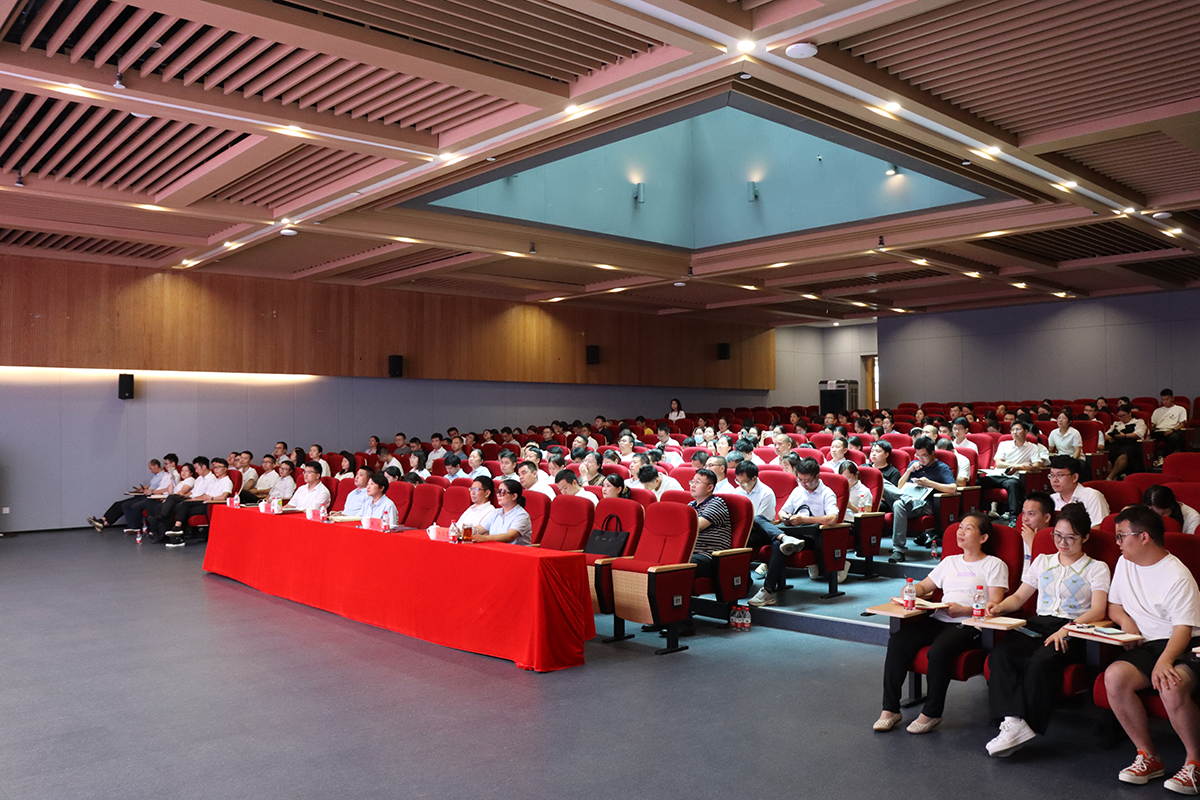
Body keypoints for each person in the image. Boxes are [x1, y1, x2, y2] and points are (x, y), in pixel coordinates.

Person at [982, 503, 1110, 756]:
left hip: (1074, 628)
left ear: (1085, 537)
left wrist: (1069, 629)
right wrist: (998, 607)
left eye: (1070, 538)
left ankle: (1026, 723)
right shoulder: (1042, 561)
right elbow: (1019, 597)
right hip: (1039, 624)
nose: (1062, 543)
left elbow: (1098, 610)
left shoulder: (1097, 567)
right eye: (1058, 535)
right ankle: (1013, 721)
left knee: (1041, 662)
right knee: (1002, 654)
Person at [875, 513, 1009, 734]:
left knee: (938, 650)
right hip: (940, 617)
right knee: (898, 642)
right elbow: (924, 586)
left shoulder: (994, 565)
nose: (960, 532)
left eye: (968, 529)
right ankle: (890, 709)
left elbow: (995, 604)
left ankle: (932, 713)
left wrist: (964, 610)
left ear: (983, 538)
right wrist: (910, 591)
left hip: (971, 623)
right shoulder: (949, 562)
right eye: (960, 527)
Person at [1104, 506, 1200, 792]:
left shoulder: (1177, 575)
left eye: (1122, 536)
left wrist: (1165, 661)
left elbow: (1182, 629)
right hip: (1148, 643)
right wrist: (1127, 623)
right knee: (1114, 677)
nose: (1117, 542)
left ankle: (1195, 762)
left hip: (1184, 644)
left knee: (1170, 684)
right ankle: (1148, 756)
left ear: (1144, 537)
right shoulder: (1125, 563)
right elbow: (1114, 605)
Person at [748, 458, 837, 606]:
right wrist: (786, 518)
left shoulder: (827, 493)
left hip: (811, 537)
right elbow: (782, 511)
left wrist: (804, 519)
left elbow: (833, 518)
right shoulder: (798, 490)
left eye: (807, 480)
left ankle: (767, 590)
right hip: (792, 532)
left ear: (817, 477)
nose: (803, 484)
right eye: (800, 479)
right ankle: (784, 538)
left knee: (777, 544)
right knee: (758, 519)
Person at [887, 437, 957, 563]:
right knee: (887, 489)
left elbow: (953, 488)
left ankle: (898, 550)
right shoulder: (914, 465)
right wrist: (909, 470)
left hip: (926, 505)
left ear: (932, 453)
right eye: (918, 455)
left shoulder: (942, 468)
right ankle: (898, 551)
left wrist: (929, 483)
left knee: (898, 503)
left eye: (924, 456)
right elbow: (899, 487)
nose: (920, 459)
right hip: (908, 501)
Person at [163, 457, 234, 547]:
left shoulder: (227, 481)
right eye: (214, 467)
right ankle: (177, 535)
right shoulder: (216, 481)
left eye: (218, 467)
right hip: (205, 502)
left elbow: (224, 497)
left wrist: (211, 498)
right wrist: (197, 498)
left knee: (185, 506)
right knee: (183, 508)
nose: (216, 470)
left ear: (225, 468)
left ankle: (177, 530)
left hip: (211, 505)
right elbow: (205, 494)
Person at [980, 421, 1043, 521]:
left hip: (1012, 478)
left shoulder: (1032, 447)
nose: (1015, 432)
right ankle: (979, 514)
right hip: (997, 475)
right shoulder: (1004, 444)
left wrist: (1018, 469)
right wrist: (1017, 465)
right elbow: (999, 463)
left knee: (1012, 484)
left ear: (1026, 431)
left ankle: (1013, 517)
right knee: (977, 482)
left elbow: (1036, 465)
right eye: (1012, 430)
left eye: (1018, 429)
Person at [88, 458, 172, 531]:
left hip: (150, 496)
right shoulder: (156, 476)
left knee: (126, 505)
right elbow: (152, 485)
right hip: (145, 493)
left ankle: (128, 526)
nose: (150, 470)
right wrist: (143, 488)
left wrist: (149, 491)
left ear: (156, 466)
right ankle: (103, 521)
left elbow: (160, 488)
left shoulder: (164, 476)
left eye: (151, 468)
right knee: (117, 504)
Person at [1047, 456, 1109, 527]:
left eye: (1060, 475)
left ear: (1074, 477)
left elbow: (1098, 527)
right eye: (1052, 475)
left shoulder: (1092, 497)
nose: (1054, 480)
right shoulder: (1051, 499)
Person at [475, 479, 533, 545]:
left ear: (514, 496)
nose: (498, 495)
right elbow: (480, 529)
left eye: (502, 492)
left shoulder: (522, 515)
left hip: (516, 550)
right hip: (496, 548)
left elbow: (510, 536)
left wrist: (485, 538)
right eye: (498, 491)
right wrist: (466, 531)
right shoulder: (496, 512)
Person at [1104, 404, 1147, 480]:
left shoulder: (1138, 422)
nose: (1122, 418)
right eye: (1119, 416)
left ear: (1129, 413)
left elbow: (1139, 434)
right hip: (1116, 443)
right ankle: (1114, 476)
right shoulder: (1116, 424)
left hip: (1130, 443)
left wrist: (1124, 436)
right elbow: (1106, 434)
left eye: (1124, 415)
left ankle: (1111, 476)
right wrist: (1110, 438)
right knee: (1105, 453)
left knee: (1125, 453)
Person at [1152, 389, 1189, 465]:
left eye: (1167, 399)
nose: (1165, 402)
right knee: (1148, 437)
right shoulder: (1157, 411)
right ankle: (1154, 458)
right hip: (1159, 430)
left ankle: (1163, 457)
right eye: (1163, 400)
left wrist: (1172, 430)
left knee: (1175, 437)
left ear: (1172, 398)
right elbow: (1153, 424)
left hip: (1172, 430)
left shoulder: (1180, 409)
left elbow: (1182, 424)